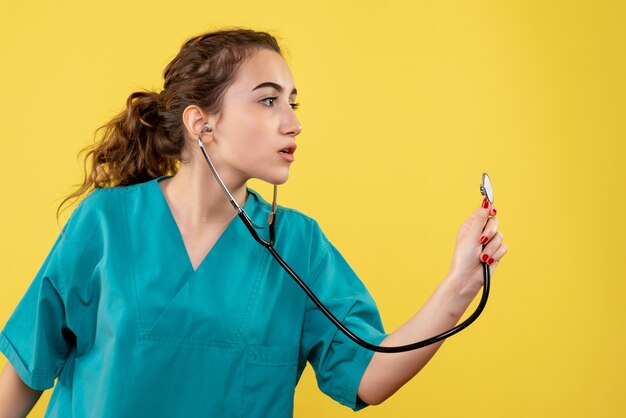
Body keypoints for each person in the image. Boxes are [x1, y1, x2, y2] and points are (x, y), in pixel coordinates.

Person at [0, 28, 507, 417]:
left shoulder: (297, 245)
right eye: (268, 100)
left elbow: (368, 375)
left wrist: (459, 285)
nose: (293, 121)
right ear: (203, 124)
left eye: (292, 102)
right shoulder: (106, 224)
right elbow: (25, 372)